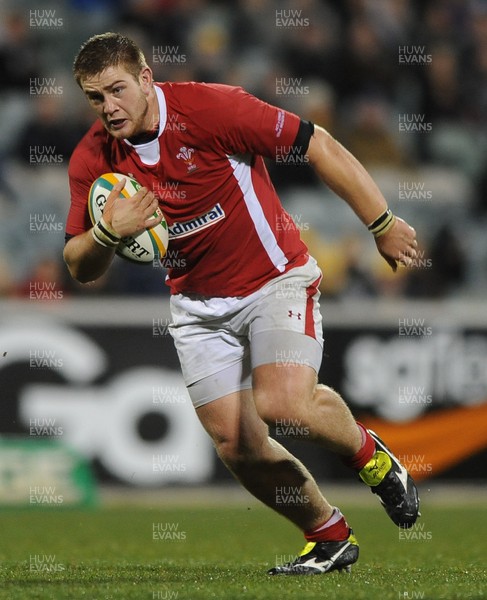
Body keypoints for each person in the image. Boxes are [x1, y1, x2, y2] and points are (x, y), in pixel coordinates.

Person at [64, 32, 420, 575]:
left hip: (273, 278)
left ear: (145, 79)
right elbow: (77, 265)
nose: (109, 107)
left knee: (282, 404)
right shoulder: (94, 158)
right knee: (236, 443)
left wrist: (382, 222)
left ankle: (370, 458)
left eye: (117, 90)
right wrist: (108, 233)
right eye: (95, 97)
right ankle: (326, 536)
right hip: (197, 303)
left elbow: (317, 142)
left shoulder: (211, 108)